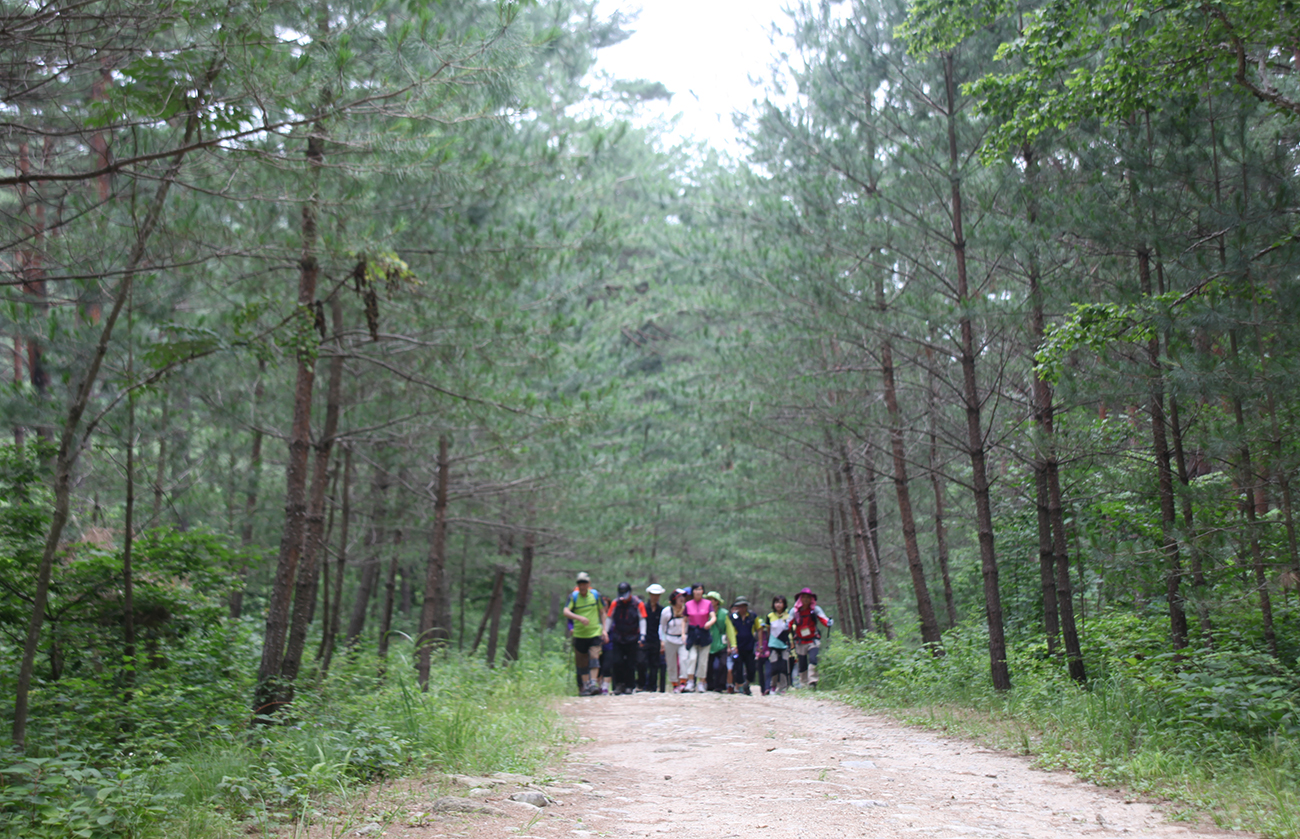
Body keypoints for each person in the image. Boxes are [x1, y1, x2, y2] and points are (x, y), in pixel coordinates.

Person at [562, 572, 607, 696]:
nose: (582, 586)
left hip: (594, 633)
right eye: (580, 583)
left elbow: (603, 612)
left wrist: (604, 629)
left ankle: (593, 683)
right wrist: (579, 618)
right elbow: (565, 611)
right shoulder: (573, 597)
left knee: (594, 657)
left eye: (584, 583)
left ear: (589, 584)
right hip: (580, 634)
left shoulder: (596, 595)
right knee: (582, 661)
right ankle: (585, 686)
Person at [605, 582, 647, 695]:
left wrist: (643, 635)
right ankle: (619, 684)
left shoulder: (638, 603)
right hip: (618, 636)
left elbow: (642, 619)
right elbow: (609, 617)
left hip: (632, 637)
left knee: (630, 663)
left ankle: (630, 685)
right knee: (617, 661)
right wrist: (605, 632)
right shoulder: (615, 603)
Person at [790, 587, 833, 687]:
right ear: (800, 598)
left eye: (808, 597)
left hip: (813, 640)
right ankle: (803, 683)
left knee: (813, 659)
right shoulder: (795, 611)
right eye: (804, 597)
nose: (806, 599)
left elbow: (823, 619)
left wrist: (828, 622)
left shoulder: (815, 609)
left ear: (811, 599)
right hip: (800, 641)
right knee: (802, 664)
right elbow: (789, 622)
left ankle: (813, 681)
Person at [683, 584, 715, 693]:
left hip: (704, 633)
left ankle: (702, 682)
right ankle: (690, 681)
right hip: (692, 633)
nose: (698, 592)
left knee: (703, 660)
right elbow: (684, 620)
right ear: (692, 592)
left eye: (700, 589)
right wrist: (683, 634)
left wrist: (709, 623)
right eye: (696, 589)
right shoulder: (688, 604)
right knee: (692, 657)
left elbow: (713, 617)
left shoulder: (708, 604)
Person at [725, 596, 760, 696]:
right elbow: (730, 632)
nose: (742, 608)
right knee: (738, 668)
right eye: (739, 606)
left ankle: (747, 683)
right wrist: (731, 646)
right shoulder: (733, 618)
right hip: (738, 647)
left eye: (743, 606)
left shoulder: (752, 616)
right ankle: (740, 687)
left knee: (751, 668)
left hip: (750, 646)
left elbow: (759, 629)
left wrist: (760, 645)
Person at [639, 583, 666, 692]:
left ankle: (652, 686)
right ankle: (642, 684)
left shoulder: (662, 610)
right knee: (642, 662)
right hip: (645, 639)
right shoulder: (643, 608)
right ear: (649, 595)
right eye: (653, 594)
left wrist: (662, 640)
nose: (655, 597)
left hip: (656, 640)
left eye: (657, 595)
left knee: (654, 664)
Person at [660, 588, 688, 692]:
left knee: (684, 660)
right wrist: (662, 640)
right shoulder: (666, 611)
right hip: (669, 639)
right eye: (679, 597)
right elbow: (662, 627)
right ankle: (674, 683)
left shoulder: (686, 610)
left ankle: (683, 682)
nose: (682, 599)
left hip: (683, 639)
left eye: (683, 597)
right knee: (671, 662)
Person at [765, 595, 792, 695]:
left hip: (785, 644)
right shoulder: (770, 616)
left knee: (784, 666)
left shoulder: (788, 616)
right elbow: (768, 630)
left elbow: (791, 630)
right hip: (773, 644)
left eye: (780, 602)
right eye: (776, 602)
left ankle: (783, 687)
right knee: (774, 665)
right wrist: (768, 642)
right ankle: (773, 686)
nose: (778, 605)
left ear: (784, 604)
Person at [706, 591, 728, 692]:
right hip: (709, 643)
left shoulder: (724, 614)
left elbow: (729, 629)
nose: (710, 601)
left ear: (717, 602)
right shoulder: (705, 612)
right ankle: (709, 684)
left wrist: (730, 644)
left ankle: (721, 685)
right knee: (709, 665)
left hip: (721, 643)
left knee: (722, 664)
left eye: (712, 599)